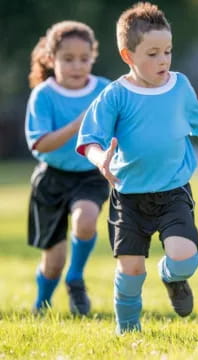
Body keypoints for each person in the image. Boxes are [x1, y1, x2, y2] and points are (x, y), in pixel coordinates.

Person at [76, 2, 198, 334]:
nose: (163, 60)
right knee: (131, 270)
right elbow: (90, 139)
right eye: (152, 53)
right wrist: (99, 159)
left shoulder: (179, 86)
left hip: (173, 191)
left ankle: (171, 277)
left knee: (185, 258)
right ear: (127, 55)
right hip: (129, 196)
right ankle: (128, 329)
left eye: (167, 51)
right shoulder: (115, 95)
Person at [25, 21, 110, 316]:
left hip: (90, 174)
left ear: (93, 57)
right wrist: (77, 124)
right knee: (53, 261)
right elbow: (41, 144)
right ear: (51, 59)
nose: (77, 66)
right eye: (68, 59)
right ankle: (42, 305)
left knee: (86, 219)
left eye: (84, 59)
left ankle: (75, 278)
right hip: (52, 179)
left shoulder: (104, 90)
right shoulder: (43, 95)